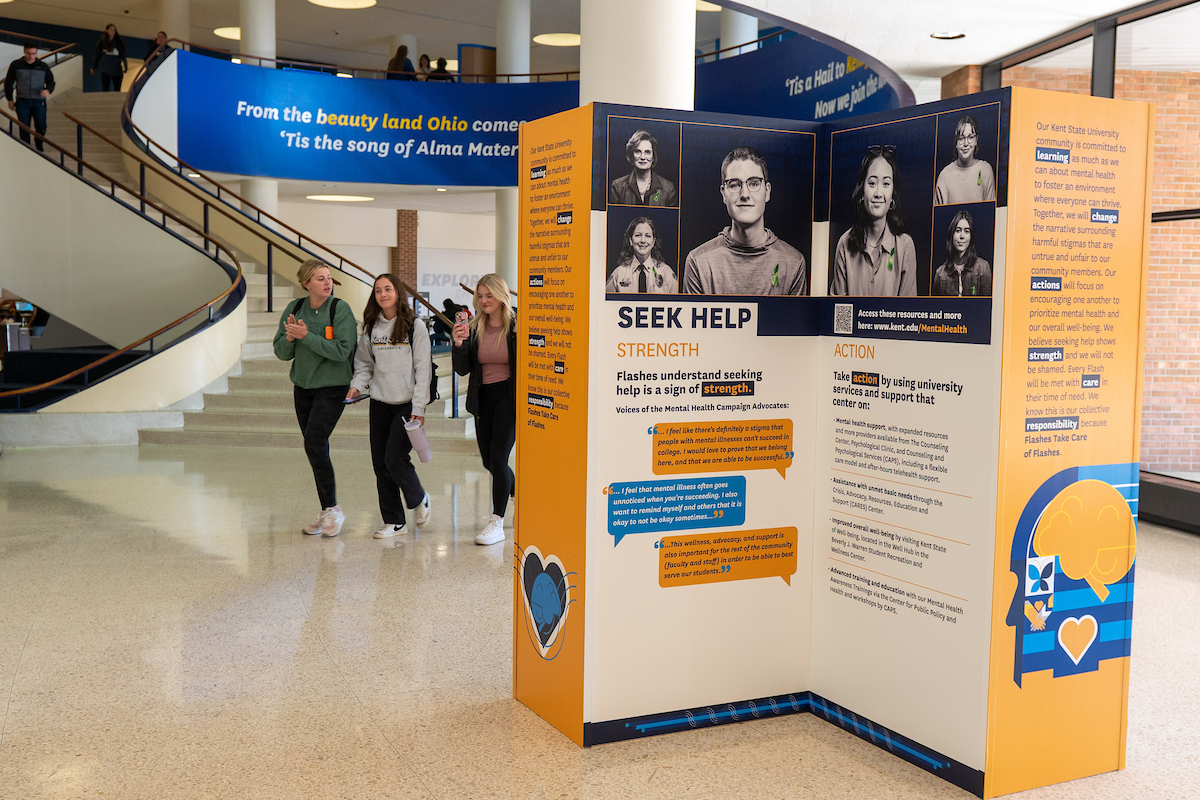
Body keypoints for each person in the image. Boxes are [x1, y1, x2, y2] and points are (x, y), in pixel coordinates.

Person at [273, 259, 357, 538]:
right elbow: (282, 352)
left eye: (329, 277)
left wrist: (306, 336)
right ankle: (327, 509)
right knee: (315, 448)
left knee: (314, 442)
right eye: (320, 278)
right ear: (306, 283)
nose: (327, 282)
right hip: (303, 386)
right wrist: (290, 338)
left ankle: (333, 509)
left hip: (333, 386)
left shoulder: (340, 309)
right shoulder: (295, 308)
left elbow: (342, 351)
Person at [347, 274, 433, 539]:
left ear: (398, 293)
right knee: (380, 464)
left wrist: (419, 407)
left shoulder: (414, 326)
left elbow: (423, 369)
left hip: (406, 405)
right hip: (379, 403)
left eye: (388, 289)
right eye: (378, 290)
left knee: (394, 458)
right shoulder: (371, 327)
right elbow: (364, 364)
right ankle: (395, 521)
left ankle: (419, 498)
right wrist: (357, 385)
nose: (383, 294)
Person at [683, 146, 807, 295]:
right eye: (735, 185)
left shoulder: (793, 263)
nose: (745, 194)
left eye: (754, 183)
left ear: (767, 192)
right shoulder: (698, 262)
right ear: (724, 194)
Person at [452, 274, 516, 546]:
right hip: (483, 397)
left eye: (489, 295)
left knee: (499, 458)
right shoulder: (474, 327)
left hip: (509, 397)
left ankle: (497, 521)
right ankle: (518, 490)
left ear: (501, 296)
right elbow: (462, 369)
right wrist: (458, 345)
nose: (484, 300)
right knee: (488, 462)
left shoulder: (517, 326)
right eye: (480, 296)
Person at [830, 145, 917, 297]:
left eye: (886, 184)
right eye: (872, 183)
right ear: (862, 191)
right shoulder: (844, 244)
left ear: (893, 194)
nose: (878, 193)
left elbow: (907, 310)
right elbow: (839, 309)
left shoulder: (905, 246)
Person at [4, 41, 54, 152]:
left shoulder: (43, 66)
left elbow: (51, 82)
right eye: (28, 53)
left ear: (36, 53)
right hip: (22, 100)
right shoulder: (16, 65)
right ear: (24, 51)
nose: (31, 56)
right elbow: (8, 83)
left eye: (33, 54)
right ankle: (26, 149)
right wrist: (10, 99)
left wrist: (48, 90)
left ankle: (39, 146)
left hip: (39, 101)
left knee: (41, 125)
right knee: (24, 126)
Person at [935, 115, 996, 204]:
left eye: (970, 137)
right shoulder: (944, 176)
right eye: (961, 138)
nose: (966, 143)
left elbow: (990, 210)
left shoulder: (985, 170)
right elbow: (938, 212)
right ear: (956, 143)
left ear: (976, 140)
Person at [606, 217, 678, 293]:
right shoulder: (619, 273)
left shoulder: (666, 272)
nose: (643, 240)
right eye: (638, 235)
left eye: (648, 236)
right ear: (631, 240)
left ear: (653, 242)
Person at [608, 130, 678, 207]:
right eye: (638, 151)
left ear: (653, 157)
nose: (643, 157)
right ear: (631, 156)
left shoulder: (668, 189)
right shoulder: (617, 187)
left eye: (647, 152)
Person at [932, 210, 992, 297]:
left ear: (971, 236)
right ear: (952, 235)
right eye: (958, 230)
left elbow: (986, 304)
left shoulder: (983, 268)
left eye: (966, 231)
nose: (962, 236)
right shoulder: (940, 274)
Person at [91, 24, 127, 92]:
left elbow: (123, 56)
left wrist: (125, 66)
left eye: (114, 30)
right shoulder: (102, 42)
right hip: (105, 70)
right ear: (106, 30)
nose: (112, 31)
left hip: (117, 70)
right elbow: (97, 55)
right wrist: (94, 67)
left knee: (117, 89)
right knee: (105, 89)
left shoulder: (118, 43)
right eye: (111, 30)